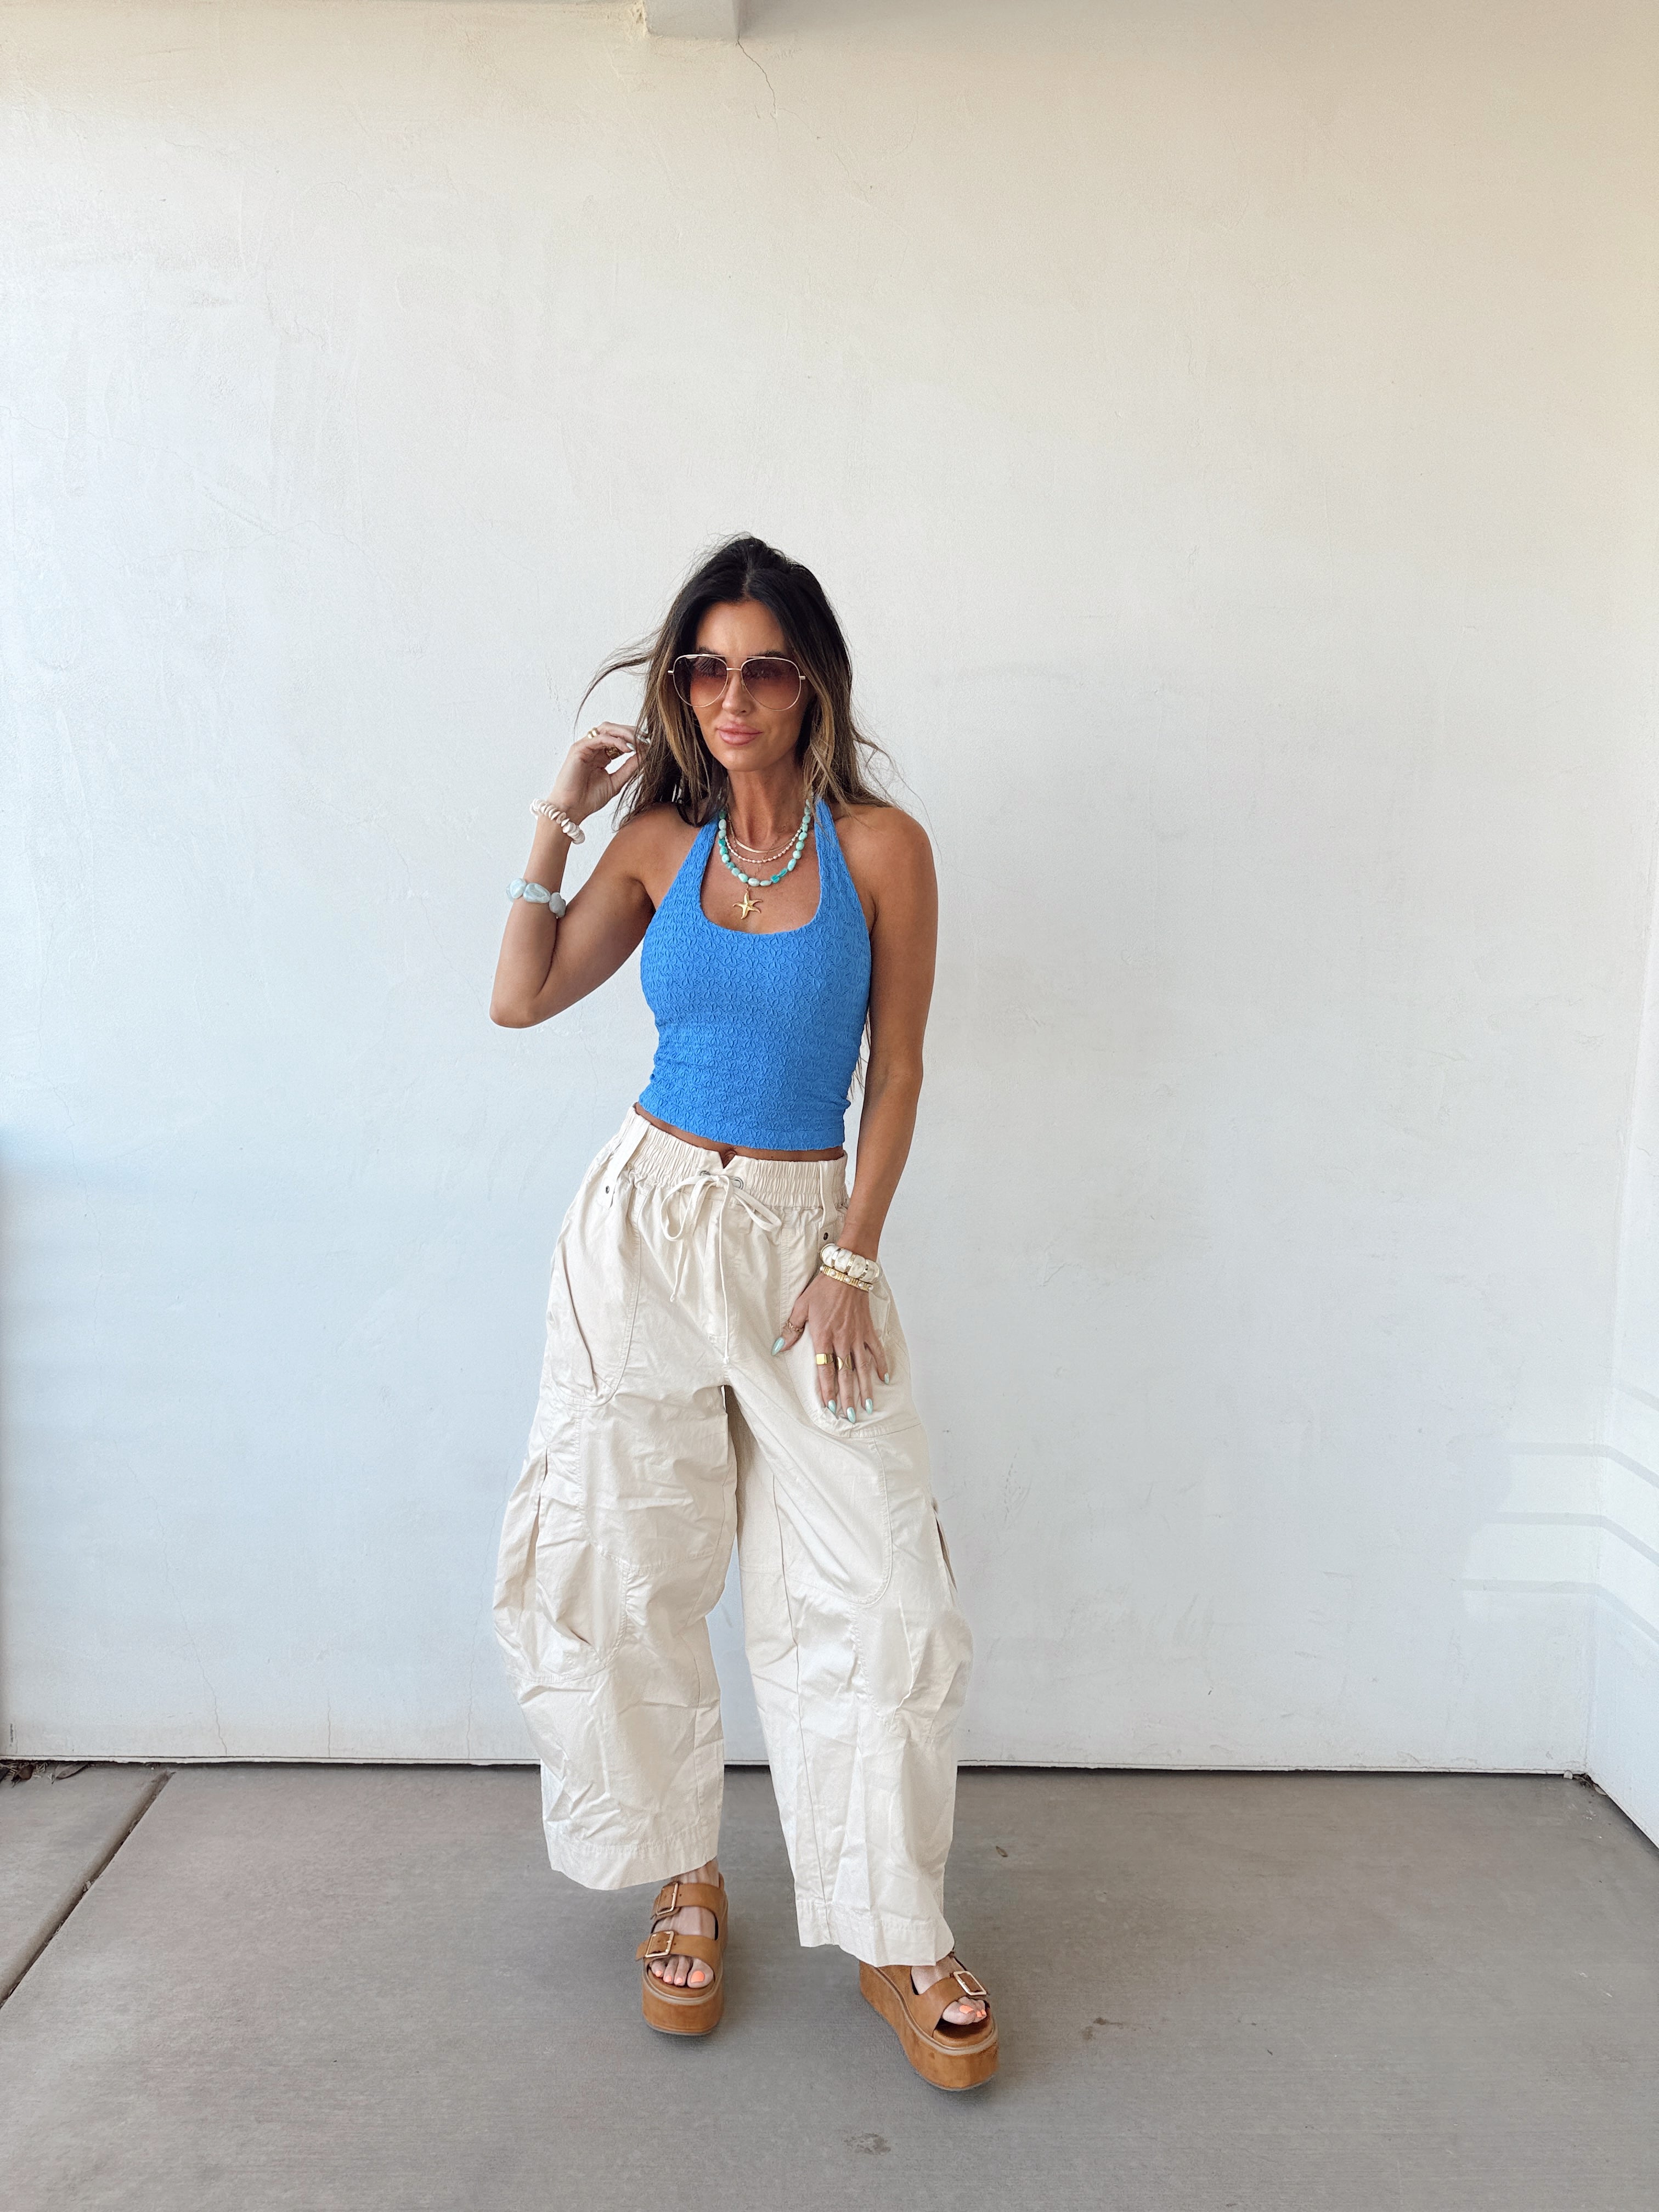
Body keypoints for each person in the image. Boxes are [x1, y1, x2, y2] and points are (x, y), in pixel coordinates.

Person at [488, 535, 996, 2090]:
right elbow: (521, 997)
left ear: (813, 681)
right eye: (704, 667)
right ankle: (682, 1873)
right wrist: (557, 818)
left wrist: (853, 1261)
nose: (731, 694)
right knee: (626, 1557)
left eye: (763, 665)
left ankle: (895, 1927)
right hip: (640, 1228)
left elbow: (896, 1072)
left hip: (804, 1240)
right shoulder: (657, 842)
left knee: (882, 1585)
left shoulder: (884, 849)